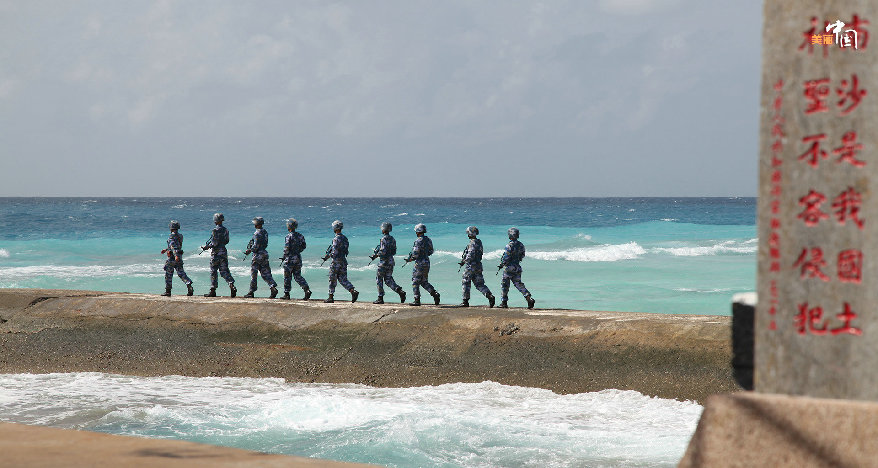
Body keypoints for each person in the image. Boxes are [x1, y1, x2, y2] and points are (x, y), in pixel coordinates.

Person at [321, 220, 359, 303]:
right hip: (343, 261)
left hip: (336, 262)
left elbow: (334, 252)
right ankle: (353, 291)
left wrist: (328, 256)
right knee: (343, 279)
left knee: (332, 279)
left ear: (334, 228)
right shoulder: (345, 238)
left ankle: (330, 297)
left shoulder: (335, 239)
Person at [200, 213, 237, 298]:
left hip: (216, 253)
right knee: (224, 271)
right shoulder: (226, 230)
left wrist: (207, 247)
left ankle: (213, 291)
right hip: (223, 252)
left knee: (213, 271)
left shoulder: (215, 230)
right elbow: (227, 241)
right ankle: (232, 285)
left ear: (215, 220)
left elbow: (214, 243)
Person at [498, 227, 535, 309]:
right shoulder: (521, 245)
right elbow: (522, 255)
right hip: (517, 267)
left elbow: (506, 257)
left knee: (505, 285)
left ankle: (504, 302)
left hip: (509, 267)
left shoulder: (509, 245)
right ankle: (528, 297)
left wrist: (501, 264)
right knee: (518, 284)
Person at [458, 226, 495, 307]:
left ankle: (465, 301)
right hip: (478, 265)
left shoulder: (472, 243)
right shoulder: (479, 242)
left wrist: (464, 261)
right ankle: (489, 296)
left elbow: (470, 255)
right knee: (479, 284)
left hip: (471, 266)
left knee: (466, 282)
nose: (467, 235)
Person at [404, 223, 440, 306]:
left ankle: (417, 300)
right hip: (427, 262)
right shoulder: (428, 240)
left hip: (419, 263)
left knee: (415, 281)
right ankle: (435, 294)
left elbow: (415, 254)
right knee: (423, 281)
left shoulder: (418, 241)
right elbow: (431, 251)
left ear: (418, 231)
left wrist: (410, 259)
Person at [370, 222, 406, 304]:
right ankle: (400, 291)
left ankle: (380, 297)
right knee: (388, 279)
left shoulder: (383, 239)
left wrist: (375, 255)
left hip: (383, 262)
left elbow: (383, 251)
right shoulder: (393, 239)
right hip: (391, 261)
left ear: (383, 229)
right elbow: (394, 251)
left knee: (379, 279)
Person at [243, 217, 278, 298]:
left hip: (257, 255)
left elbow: (255, 246)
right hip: (264, 254)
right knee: (266, 273)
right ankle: (272, 287)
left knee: (254, 274)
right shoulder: (265, 232)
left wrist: (249, 250)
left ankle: (251, 292)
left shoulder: (256, 233)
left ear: (256, 224)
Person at [280, 218, 311, 300]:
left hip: (290, 259)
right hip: (298, 258)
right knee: (298, 276)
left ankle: (286, 294)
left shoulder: (288, 236)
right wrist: (297, 251)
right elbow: (304, 246)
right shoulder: (300, 236)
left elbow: (287, 248)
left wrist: (284, 256)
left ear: (289, 226)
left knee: (287, 277)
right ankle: (306, 289)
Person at [160, 220, 194, 297]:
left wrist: (175, 255)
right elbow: (176, 246)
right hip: (179, 256)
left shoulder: (171, 236)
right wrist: (166, 249)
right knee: (181, 273)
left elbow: (173, 246)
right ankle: (189, 284)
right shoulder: (180, 236)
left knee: (168, 274)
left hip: (173, 258)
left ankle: (168, 291)